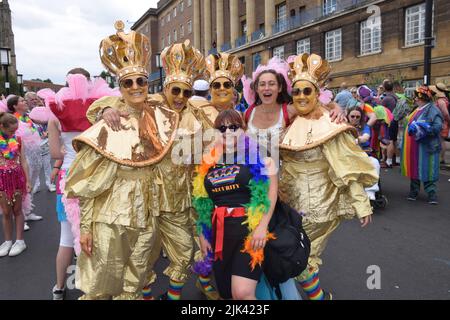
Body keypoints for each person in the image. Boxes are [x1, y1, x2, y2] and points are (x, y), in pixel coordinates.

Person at [91, 38, 207, 300]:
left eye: (186, 92)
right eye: (175, 90)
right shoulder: (150, 104)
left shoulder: (196, 115)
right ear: (165, 88)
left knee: (185, 252)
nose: (180, 97)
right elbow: (119, 101)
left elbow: (216, 139)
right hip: (147, 199)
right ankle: (143, 295)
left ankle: (172, 296)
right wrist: (105, 108)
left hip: (178, 199)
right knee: (141, 257)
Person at [64, 21, 173, 300]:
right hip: (112, 220)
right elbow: (89, 186)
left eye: (141, 81)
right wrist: (85, 228)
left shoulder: (161, 118)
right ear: (120, 86)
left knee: (135, 285)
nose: (136, 87)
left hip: (149, 217)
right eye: (128, 83)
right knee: (102, 286)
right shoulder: (108, 125)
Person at [279, 53, 378, 300]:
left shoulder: (330, 124)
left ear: (316, 94)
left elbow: (346, 167)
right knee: (293, 253)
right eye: (297, 92)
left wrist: (361, 203)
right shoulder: (290, 122)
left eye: (307, 91)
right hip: (289, 204)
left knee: (300, 255)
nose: (301, 96)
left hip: (318, 205)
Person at [193, 109, 278, 300]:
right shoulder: (209, 162)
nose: (228, 132)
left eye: (234, 127)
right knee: (226, 294)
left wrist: (262, 227)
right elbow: (203, 200)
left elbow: (271, 194)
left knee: (242, 293)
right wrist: (202, 232)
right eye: (222, 128)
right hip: (219, 235)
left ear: (243, 129)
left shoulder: (261, 157)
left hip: (249, 233)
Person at [401, 86, 443, 205]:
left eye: (416, 97)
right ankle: (414, 191)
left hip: (427, 146)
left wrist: (426, 128)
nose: (414, 99)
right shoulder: (417, 109)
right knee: (415, 168)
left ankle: (431, 194)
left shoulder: (433, 110)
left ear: (422, 98)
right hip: (415, 147)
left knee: (428, 169)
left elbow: (437, 127)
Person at [6, 96, 42, 224]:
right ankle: (21, 217)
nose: (25, 102)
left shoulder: (27, 117)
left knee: (30, 184)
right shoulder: (13, 120)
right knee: (22, 186)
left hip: (35, 154)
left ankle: (27, 211)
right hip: (23, 156)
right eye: (21, 101)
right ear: (15, 106)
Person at [0, 113, 31, 257]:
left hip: (17, 178)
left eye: (15, 130)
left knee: (17, 210)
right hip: (2, 180)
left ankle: (20, 241)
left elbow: (23, 160)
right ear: (2, 127)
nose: (14, 133)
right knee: (6, 212)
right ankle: (7, 241)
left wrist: (28, 180)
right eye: (11, 131)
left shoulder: (18, 139)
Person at [429, 83, 450, 164]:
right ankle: (441, 158)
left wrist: (448, 121)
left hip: (442, 123)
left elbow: (445, 113)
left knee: (441, 141)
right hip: (442, 123)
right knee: (441, 141)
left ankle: (441, 158)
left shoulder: (441, 101)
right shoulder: (444, 100)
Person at [381, 80, 399, 168]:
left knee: (390, 141)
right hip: (395, 120)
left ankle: (388, 161)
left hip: (389, 121)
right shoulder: (396, 96)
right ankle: (397, 159)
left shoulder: (386, 98)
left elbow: (381, 111)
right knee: (395, 140)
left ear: (384, 88)